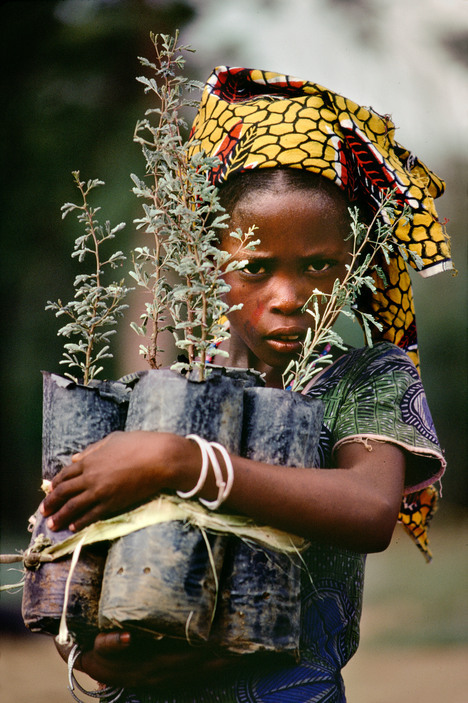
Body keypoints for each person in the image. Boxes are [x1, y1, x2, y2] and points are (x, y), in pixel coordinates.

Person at [40, 66, 451, 702]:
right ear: (207, 261)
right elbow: (66, 536)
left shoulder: (363, 380)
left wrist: (183, 462)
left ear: (355, 268)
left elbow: (369, 510)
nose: (288, 297)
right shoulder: (154, 393)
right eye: (256, 268)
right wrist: (87, 648)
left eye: (320, 267)